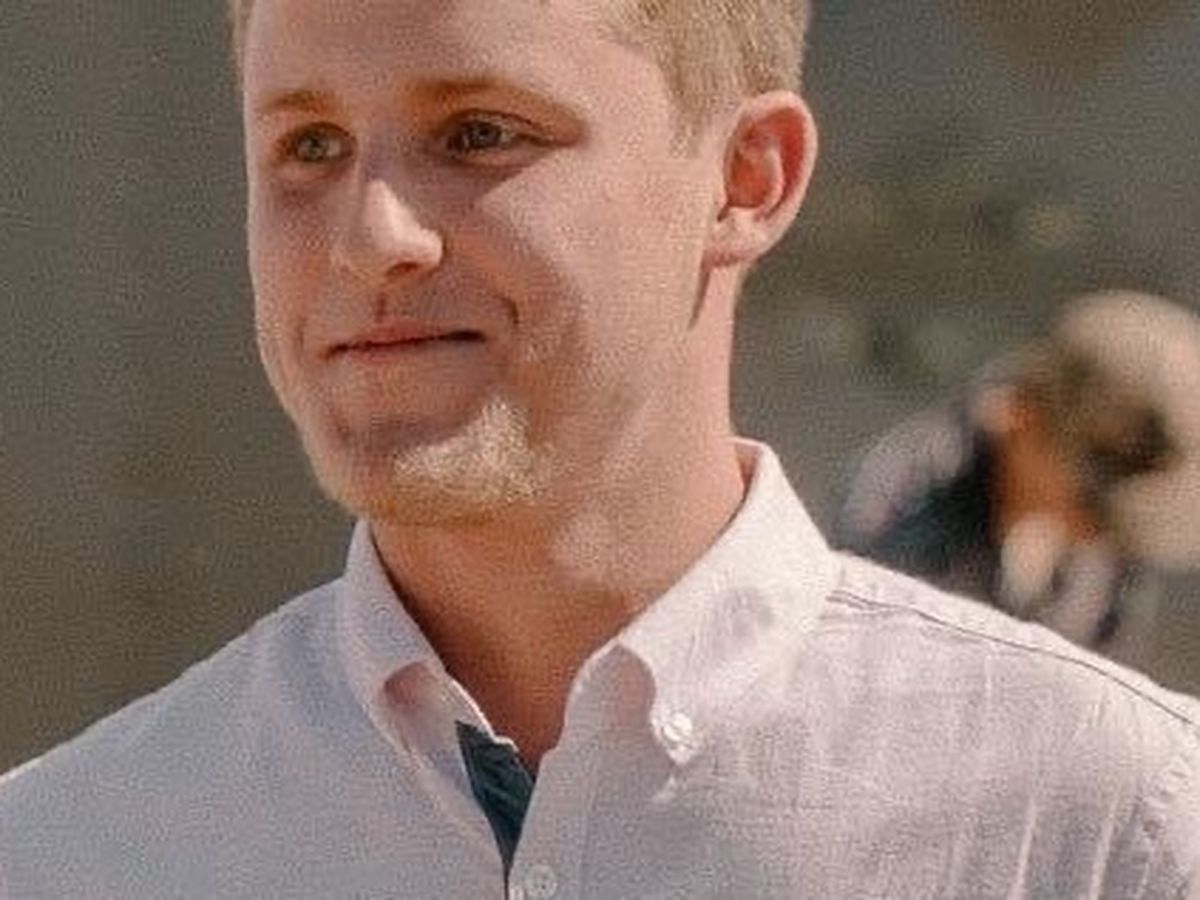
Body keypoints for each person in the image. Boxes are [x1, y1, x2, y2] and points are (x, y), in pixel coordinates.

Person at [1, 2, 1198, 896]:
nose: (369, 237)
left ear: (745, 178)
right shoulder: (70, 852)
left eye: (479, 133)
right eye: (309, 145)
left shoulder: (1110, 831)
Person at [836, 290, 1200, 661]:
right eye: (1088, 503)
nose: (1100, 535)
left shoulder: (1114, 551)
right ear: (1021, 418)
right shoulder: (902, 507)